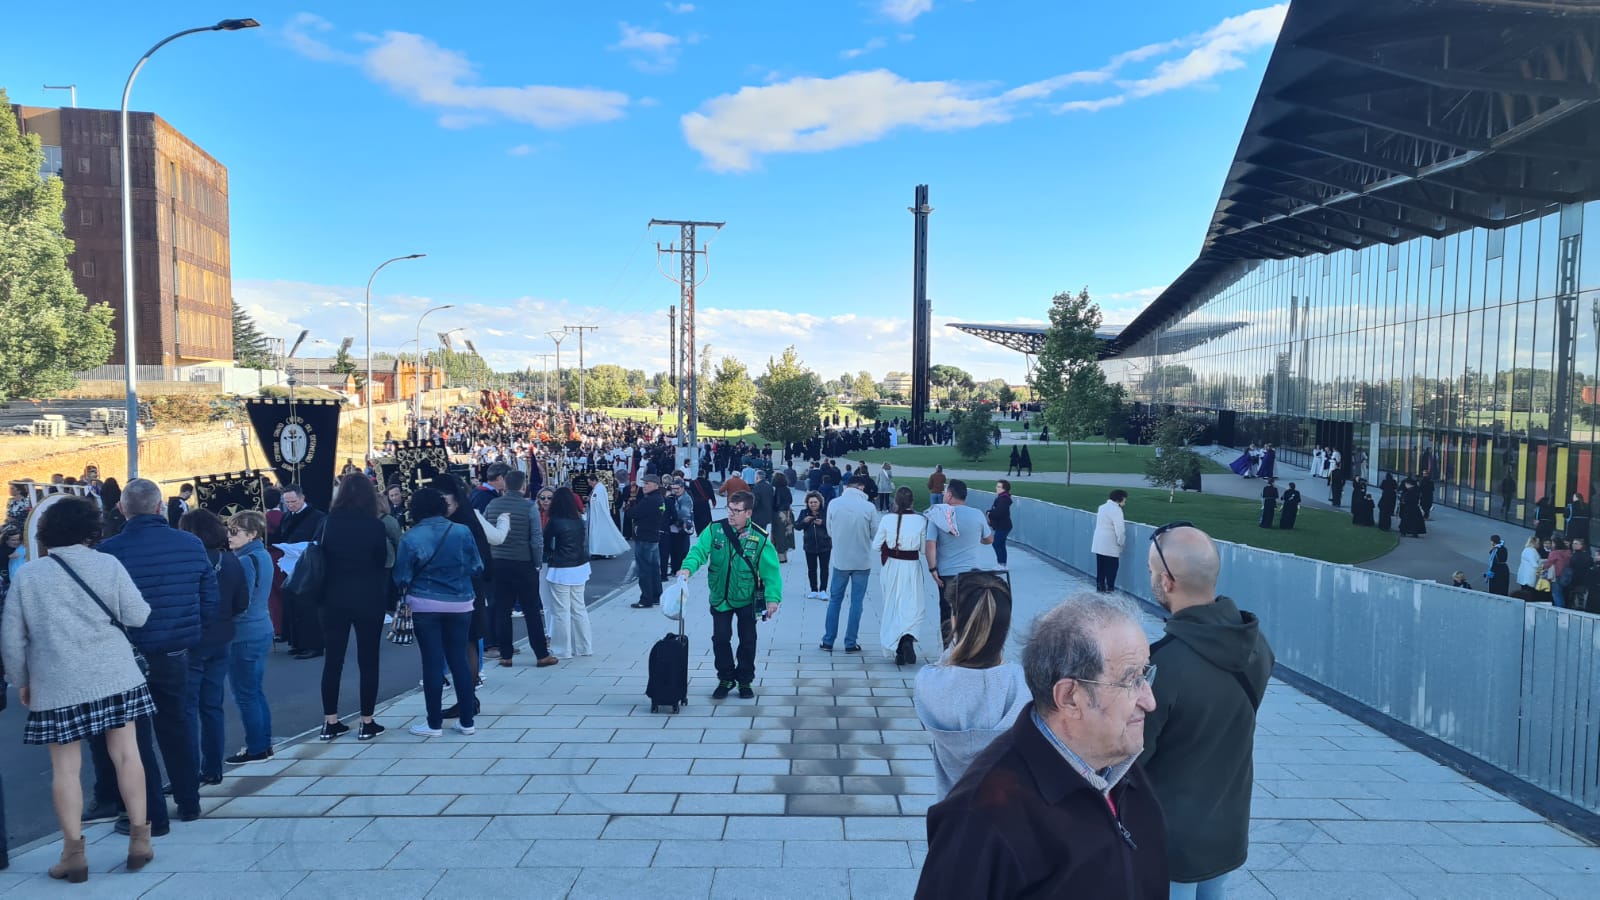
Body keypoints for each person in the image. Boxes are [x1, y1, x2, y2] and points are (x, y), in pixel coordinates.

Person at [916, 593, 1167, 899]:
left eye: (1145, 675)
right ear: (1070, 698)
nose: (1150, 701)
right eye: (1130, 681)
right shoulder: (979, 819)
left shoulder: (1123, 769)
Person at [1, 496, 157, 880]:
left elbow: (11, 640)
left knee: (65, 769)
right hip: (114, 674)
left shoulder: (29, 577)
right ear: (91, 528)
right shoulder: (107, 564)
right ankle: (140, 839)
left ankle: (74, 853)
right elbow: (138, 615)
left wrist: (22, 682)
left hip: (57, 681)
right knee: (127, 755)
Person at [1142, 522, 1274, 899]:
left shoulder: (1162, 664)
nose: (1151, 578)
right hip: (1227, 827)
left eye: (1152, 572)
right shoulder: (1256, 644)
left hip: (1171, 841)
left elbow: (1130, 758)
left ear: (1167, 581)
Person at [90, 477, 213, 836]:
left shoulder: (109, 552)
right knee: (177, 724)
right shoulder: (190, 544)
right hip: (176, 647)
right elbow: (209, 593)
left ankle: (152, 815)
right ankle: (189, 802)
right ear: (160, 507)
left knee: (136, 736)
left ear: (122, 509)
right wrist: (195, 631)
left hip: (130, 653)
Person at [913, 571, 1029, 798]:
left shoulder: (928, 682)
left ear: (954, 619)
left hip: (950, 815)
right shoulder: (1020, 685)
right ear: (1005, 625)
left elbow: (945, 665)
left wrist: (957, 646)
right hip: (1007, 818)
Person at [394, 487, 482, 738]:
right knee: (460, 661)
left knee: (432, 663)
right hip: (461, 601)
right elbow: (477, 566)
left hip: (425, 603)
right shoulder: (462, 531)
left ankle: (433, 723)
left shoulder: (410, 537)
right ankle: (467, 720)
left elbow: (401, 576)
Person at [678, 490, 782, 700]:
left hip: (746, 597)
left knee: (748, 640)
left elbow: (771, 572)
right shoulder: (715, 529)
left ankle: (745, 680)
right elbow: (699, 551)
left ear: (749, 513)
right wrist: (687, 569)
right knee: (721, 638)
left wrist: (772, 598)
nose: (731, 514)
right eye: (729, 509)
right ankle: (725, 678)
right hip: (720, 596)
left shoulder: (759, 538)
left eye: (737, 510)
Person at [316, 473, 392, 740]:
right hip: (368, 597)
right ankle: (366, 720)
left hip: (332, 598)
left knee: (333, 660)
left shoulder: (327, 524)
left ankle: (330, 721)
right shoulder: (375, 526)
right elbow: (381, 561)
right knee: (368, 659)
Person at [177, 509, 249, 786]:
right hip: (222, 636)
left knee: (188, 708)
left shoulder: (189, 560)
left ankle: (189, 772)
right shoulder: (230, 559)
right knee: (212, 705)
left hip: (193, 639)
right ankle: (213, 767)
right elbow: (242, 601)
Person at [486, 470, 554, 668]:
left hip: (498, 561)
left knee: (502, 610)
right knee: (531, 609)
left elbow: (487, 532)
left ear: (505, 485)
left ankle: (505, 655)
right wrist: (536, 563)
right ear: (523, 486)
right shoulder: (528, 506)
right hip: (523, 562)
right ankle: (541, 654)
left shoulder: (493, 505)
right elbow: (536, 537)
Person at [224, 511, 276, 763]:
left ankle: (256, 747)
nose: (229, 536)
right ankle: (263, 743)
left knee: (245, 693)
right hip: (261, 627)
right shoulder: (261, 554)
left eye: (236, 532)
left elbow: (240, 602)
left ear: (252, 533)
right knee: (255, 691)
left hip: (244, 632)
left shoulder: (245, 560)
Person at [927, 480, 996, 649]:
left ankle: (948, 650)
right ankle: (968, 649)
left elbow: (930, 545)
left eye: (945, 492)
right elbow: (989, 539)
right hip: (971, 573)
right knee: (968, 611)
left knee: (947, 612)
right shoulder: (977, 514)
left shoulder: (938, 514)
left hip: (947, 573)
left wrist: (932, 568)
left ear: (949, 495)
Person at [822, 474, 877, 653]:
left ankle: (828, 640)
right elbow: (874, 534)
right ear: (861, 487)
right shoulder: (869, 507)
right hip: (862, 560)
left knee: (835, 600)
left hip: (840, 559)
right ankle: (850, 642)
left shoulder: (834, 504)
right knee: (856, 602)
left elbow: (830, 531)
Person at [876, 486, 929, 664]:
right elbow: (922, 549)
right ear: (912, 501)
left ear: (895, 502)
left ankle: (897, 646)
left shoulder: (886, 519)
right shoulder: (921, 521)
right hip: (912, 566)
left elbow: (876, 545)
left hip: (892, 566)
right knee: (912, 605)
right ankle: (907, 638)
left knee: (892, 605)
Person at [274, 484, 327, 659]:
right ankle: (298, 642)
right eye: (287, 502)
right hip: (290, 566)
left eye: (294, 501)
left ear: (302, 498)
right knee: (292, 604)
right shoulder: (286, 517)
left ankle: (314, 645)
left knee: (308, 607)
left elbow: (319, 542)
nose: (291, 505)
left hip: (310, 567)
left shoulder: (318, 517)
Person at [544, 486, 594, 659]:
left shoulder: (555, 521)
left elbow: (545, 541)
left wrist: (549, 556)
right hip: (580, 566)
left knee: (561, 611)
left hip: (561, 567)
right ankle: (584, 647)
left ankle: (562, 649)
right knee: (579, 608)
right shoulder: (579, 520)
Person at [627, 475, 667, 609]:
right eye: (644, 483)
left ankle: (646, 599)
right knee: (654, 568)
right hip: (653, 537)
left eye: (647, 484)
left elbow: (633, 513)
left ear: (656, 485)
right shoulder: (659, 499)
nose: (644, 486)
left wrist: (631, 505)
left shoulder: (650, 500)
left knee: (644, 569)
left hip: (644, 537)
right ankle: (656, 595)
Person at [1091, 489, 1128, 593]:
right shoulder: (1116, 510)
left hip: (1099, 543)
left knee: (1101, 569)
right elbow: (1120, 529)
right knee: (1112, 569)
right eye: (1124, 500)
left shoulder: (1102, 507)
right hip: (1110, 544)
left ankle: (1099, 590)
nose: (1125, 503)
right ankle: (1110, 591)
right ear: (1119, 499)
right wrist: (1121, 542)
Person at [798, 491, 831, 599]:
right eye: (810, 502)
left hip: (824, 545)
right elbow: (797, 526)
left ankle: (823, 590)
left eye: (815, 502)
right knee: (811, 568)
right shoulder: (804, 513)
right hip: (809, 545)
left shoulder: (826, 512)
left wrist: (823, 523)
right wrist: (804, 522)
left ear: (820, 502)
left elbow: (833, 525)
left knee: (824, 568)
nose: (813, 504)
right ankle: (813, 589)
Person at [770, 472, 795, 564]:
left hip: (779, 514)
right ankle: (785, 555)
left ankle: (781, 557)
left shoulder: (777, 490)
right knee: (787, 535)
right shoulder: (787, 489)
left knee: (778, 535)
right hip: (788, 513)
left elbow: (776, 503)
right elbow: (790, 500)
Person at [988, 479, 1013, 568]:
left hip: (1003, 526)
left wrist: (990, 514)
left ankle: (1001, 563)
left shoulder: (1004, 499)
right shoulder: (1002, 498)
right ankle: (1002, 563)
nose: (996, 488)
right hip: (1002, 525)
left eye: (999, 487)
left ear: (1004, 489)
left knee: (997, 543)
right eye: (997, 486)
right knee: (1000, 544)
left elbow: (999, 512)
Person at [1516, 535, 1543, 601]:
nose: (1539, 545)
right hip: (1528, 575)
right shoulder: (1530, 551)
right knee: (1528, 592)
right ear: (1534, 543)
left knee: (1525, 591)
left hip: (1526, 575)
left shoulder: (1528, 550)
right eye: (1538, 543)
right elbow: (1534, 563)